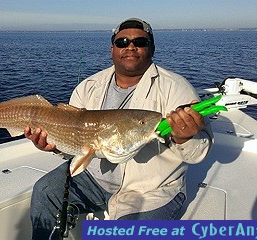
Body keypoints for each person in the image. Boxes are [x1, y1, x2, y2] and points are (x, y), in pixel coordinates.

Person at [25, 18, 212, 239]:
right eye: (122, 42)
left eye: (140, 42)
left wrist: (184, 137)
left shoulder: (176, 87)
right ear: (112, 49)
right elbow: (76, 146)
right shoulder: (88, 87)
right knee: (45, 192)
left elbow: (199, 151)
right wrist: (54, 146)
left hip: (151, 189)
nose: (130, 47)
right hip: (93, 179)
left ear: (152, 48)